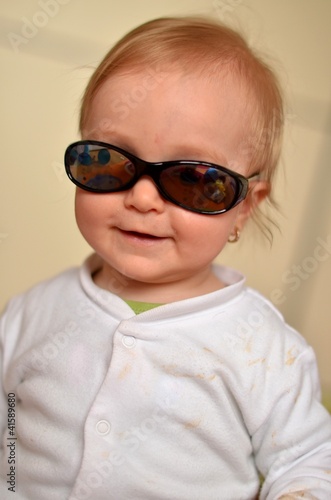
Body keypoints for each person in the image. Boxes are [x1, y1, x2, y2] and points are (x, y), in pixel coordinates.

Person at [1, 16, 331, 500]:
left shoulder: (262, 351)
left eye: (193, 179)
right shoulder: (33, 313)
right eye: (111, 160)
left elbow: (307, 462)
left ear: (244, 208)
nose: (142, 198)